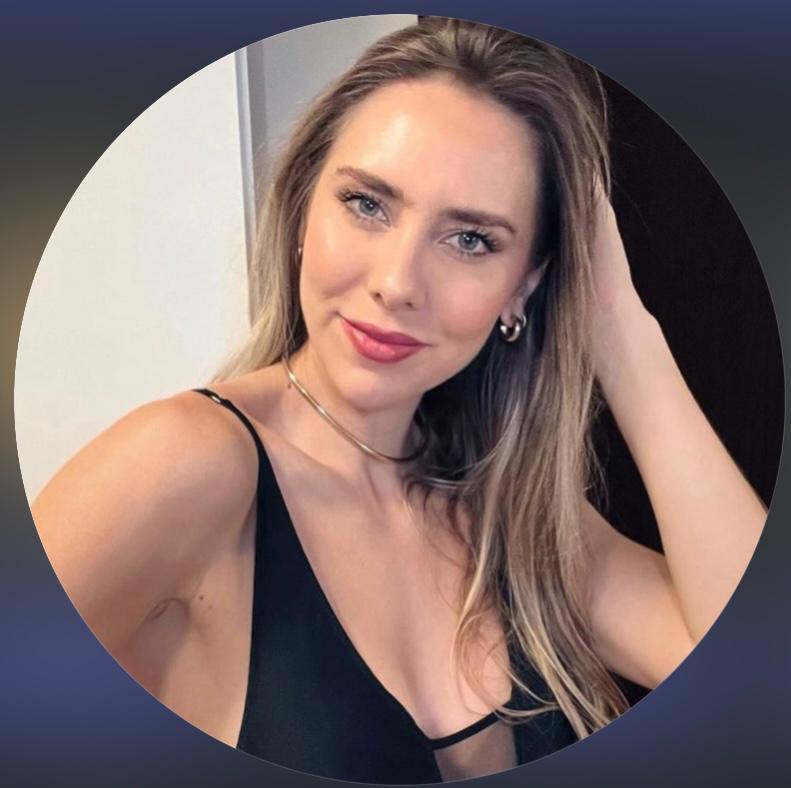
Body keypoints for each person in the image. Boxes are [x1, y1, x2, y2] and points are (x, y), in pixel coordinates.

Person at [30, 16, 767, 784]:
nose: (396, 283)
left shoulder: (509, 513)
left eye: (470, 239)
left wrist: (619, 332)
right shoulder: (187, 463)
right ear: (303, 209)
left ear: (523, 285)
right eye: (366, 204)